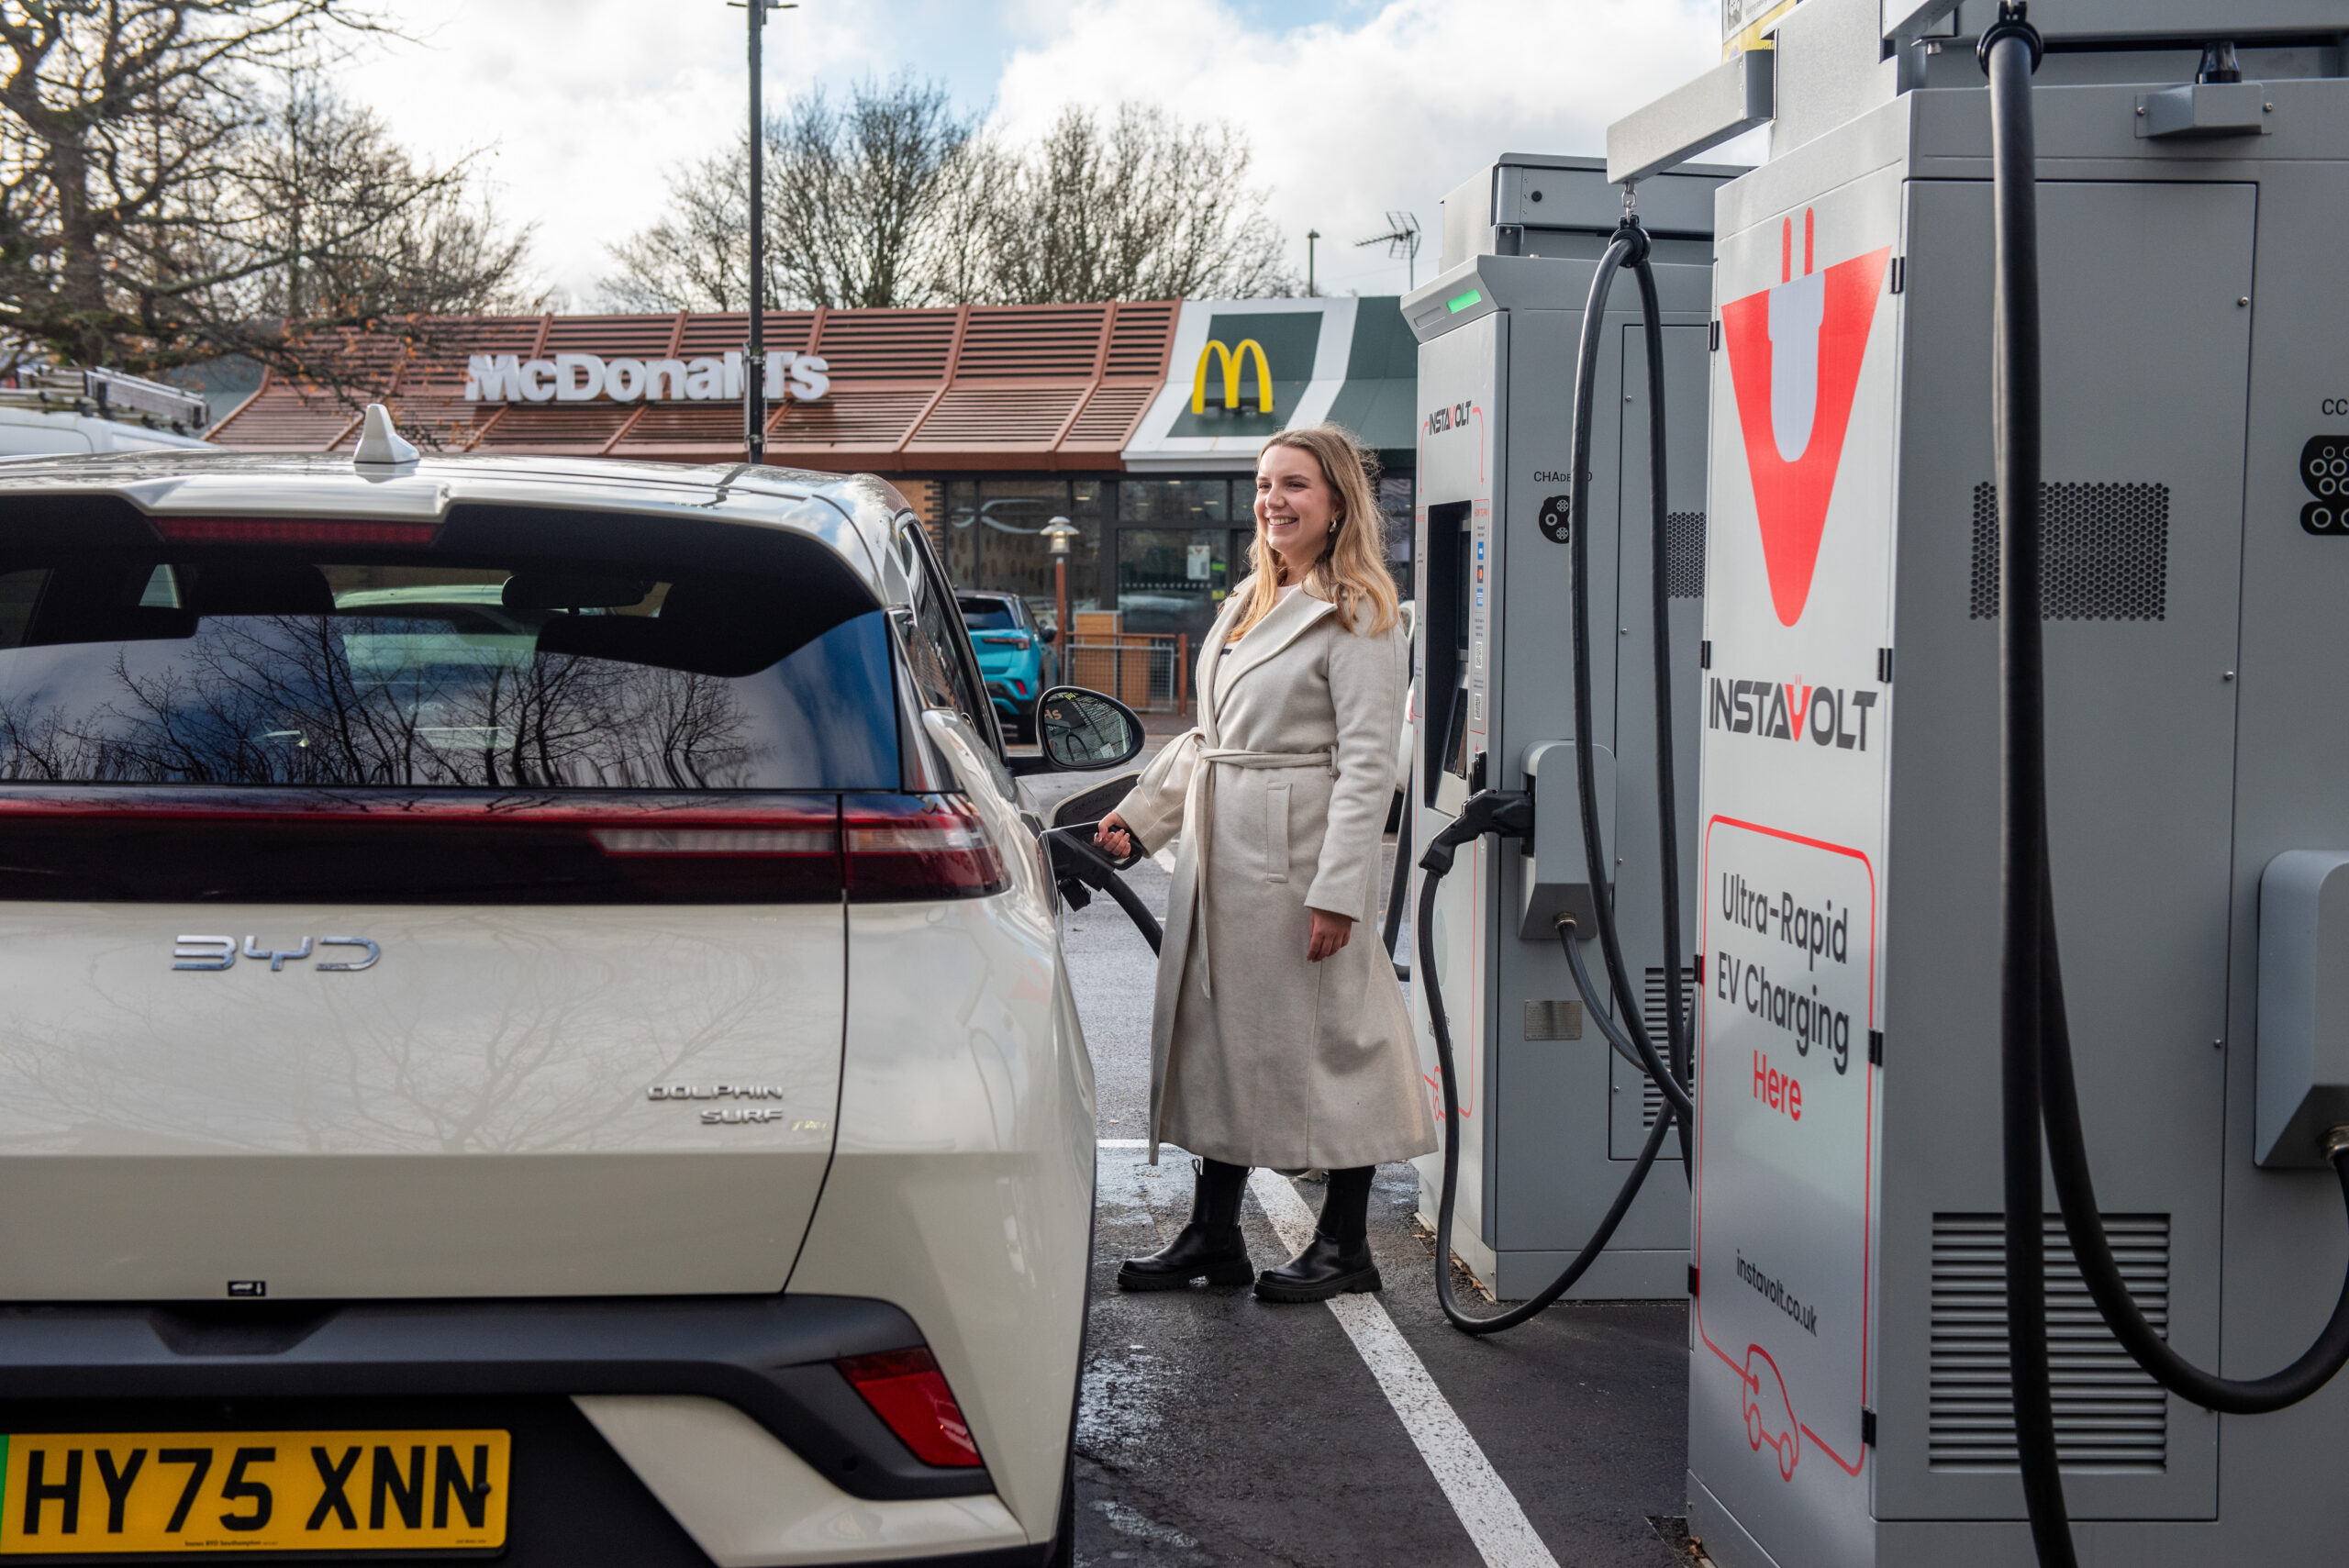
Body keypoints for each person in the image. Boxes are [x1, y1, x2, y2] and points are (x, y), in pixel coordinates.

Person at [1096, 423, 1434, 1303]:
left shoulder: (1360, 610)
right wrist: (1140, 816)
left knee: (1335, 1046)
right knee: (1219, 1041)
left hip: (1296, 865)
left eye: (1295, 486)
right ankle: (1215, 1235)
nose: (1274, 501)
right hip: (1226, 854)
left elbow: (1368, 767)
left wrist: (1339, 894)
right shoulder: (1252, 595)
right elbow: (1212, 741)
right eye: (1264, 485)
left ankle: (1347, 1244)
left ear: (1336, 504)